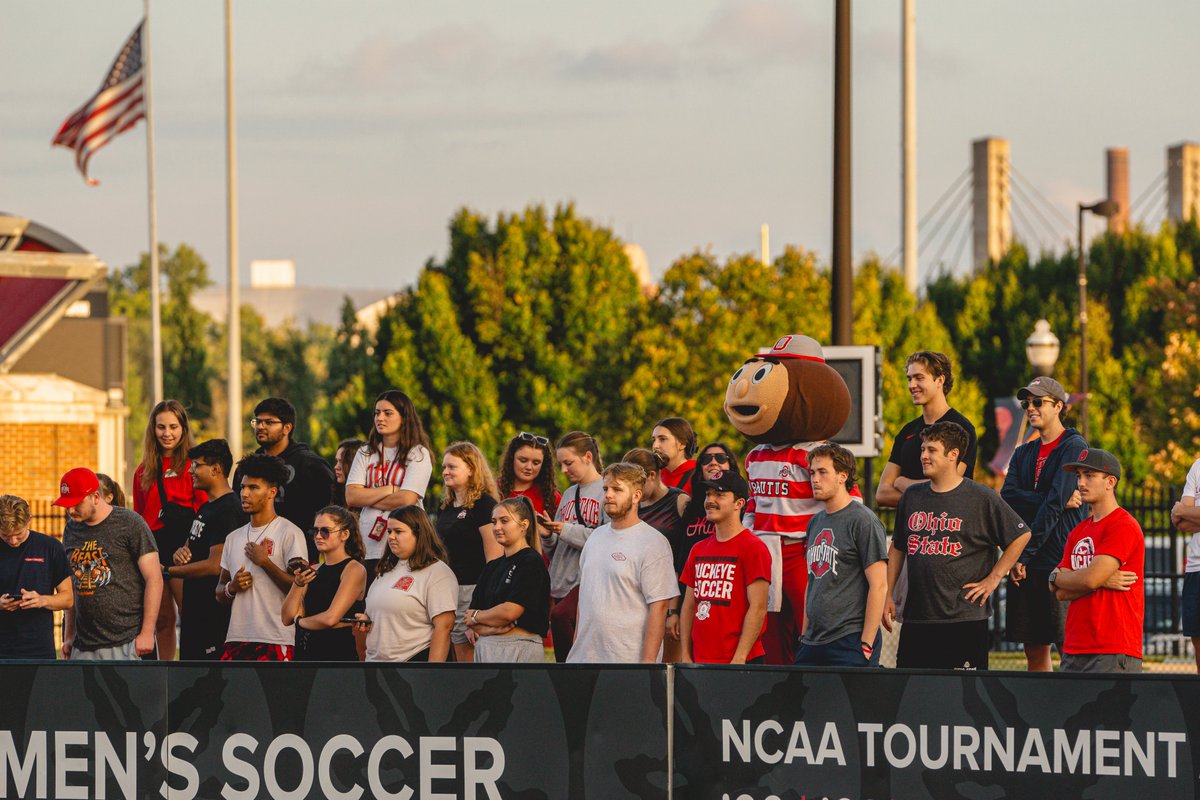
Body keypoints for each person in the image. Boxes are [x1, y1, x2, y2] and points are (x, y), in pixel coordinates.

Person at [884, 422, 1031, 670]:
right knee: (911, 698)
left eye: (931, 450)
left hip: (964, 619)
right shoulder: (912, 496)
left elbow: (1021, 534)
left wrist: (995, 577)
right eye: (922, 449)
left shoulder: (981, 497)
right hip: (917, 619)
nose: (923, 456)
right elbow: (898, 547)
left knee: (964, 702)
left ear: (953, 455)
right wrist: (888, 594)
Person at [1000, 377, 1089, 672]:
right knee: (1034, 648)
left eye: (1039, 402)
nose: (1031, 408)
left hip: (1060, 559)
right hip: (1028, 559)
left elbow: (1054, 506)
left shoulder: (1073, 446)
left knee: (1069, 647)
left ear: (1059, 406)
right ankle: (1042, 713)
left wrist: (1022, 555)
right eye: (1027, 403)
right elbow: (1008, 496)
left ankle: (1075, 715)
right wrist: (1053, 498)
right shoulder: (1023, 452)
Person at [567, 463, 678, 663]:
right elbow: (584, 600)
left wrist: (647, 665)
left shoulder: (653, 542)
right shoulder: (594, 537)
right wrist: (576, 650)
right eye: (605, 489)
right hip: (583, 660)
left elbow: (659, 607)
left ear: (636, 496)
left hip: (627, 661)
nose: (608, 495)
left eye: (617, 489)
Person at [795, 443, 888, 667]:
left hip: (849, 641)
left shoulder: (863, 520)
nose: (815, 479)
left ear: (842, 476)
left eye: (823, 472)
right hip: (813, 642)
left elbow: (879, 585)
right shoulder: (815, 522)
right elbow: (812, 581)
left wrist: (865, 644)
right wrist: (804, 634)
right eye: (812, 472)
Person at [1052, 449, 1145, 674]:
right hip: (1074, 647)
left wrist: (1075, 578)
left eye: (1089, 475)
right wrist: (1057, 577)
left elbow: (1090, 579)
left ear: (1110, 482)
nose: (1081, 482)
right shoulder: (1077, 531)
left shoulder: (1123, 525)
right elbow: (1059, 592)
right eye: (1078, 476)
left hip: (1113, 647)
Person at [57, 468, 162, 660]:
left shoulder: (130, 523)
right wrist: (69, 636)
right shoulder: (71, 529)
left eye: (76, 504)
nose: (70, 511)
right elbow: (71, 584)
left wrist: (147, 632)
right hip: (83, 644)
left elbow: (154, 578)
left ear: (96, 497)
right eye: (67, 505)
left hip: (127, 640)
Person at [216, 454, 309, 662]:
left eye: (253, 488)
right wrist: (232, 587)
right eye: (242, 487)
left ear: (272, 492)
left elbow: (299, 589)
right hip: (236, 638)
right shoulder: (233, 538)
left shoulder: (289, 532)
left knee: (274, 696)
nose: (244, 494)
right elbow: (219, 591)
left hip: (275, 638)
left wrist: (265, 563)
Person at [132, 399, 205, 661]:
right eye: (161, 427)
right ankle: (166, 670)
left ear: (183, 428)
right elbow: (140, 518)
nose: (167, 433)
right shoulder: (143, 471)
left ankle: (191, 668)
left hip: (186, 548)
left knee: (191, 614)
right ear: (153, 429)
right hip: (154, 549)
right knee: (161, 618)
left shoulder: (193, 466)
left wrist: (189, 546)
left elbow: (203, 510)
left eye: (173, 426)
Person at [678, 472, 770, 665]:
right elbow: (688, 606)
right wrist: (685, 654)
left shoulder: (754, 547)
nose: (710, 500)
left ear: (739, 503)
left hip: (740, 662)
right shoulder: (698, 549)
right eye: (708, 494)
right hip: (699, 661)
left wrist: (740, 658)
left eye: (719, 495)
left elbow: (758, 607)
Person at [167, 439, 247, 660]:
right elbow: (188, 548)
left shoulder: (229, 509)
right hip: (195, 612)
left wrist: (168, 571)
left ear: (216, 468)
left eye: (197, 465)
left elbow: (215, 566)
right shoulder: (206, 507)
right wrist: (179, 555)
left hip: (213, 614)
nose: (191, 471)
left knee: (209, 684)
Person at [231, 398, 336, 562]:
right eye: (257, 421)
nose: (261, 427)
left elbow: (330, 512)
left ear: (287, 427)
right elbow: (238, 513)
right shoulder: (247, 466)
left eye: (269, 422)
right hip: (252, 551)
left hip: (299, 554)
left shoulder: (310, 465)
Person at [345, 390, 434, 583]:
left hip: (406, 545)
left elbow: (407, 500)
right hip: (368, 546)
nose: (380, 418)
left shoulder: (418, 453)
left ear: (404, 417)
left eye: (388, 413)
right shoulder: (365, 452)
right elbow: (352, 497)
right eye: (377, 413)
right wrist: (390, 489)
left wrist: (368, 496)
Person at [876, 351, 978, 507]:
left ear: (940, 380)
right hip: (911, 529)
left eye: (919, 378)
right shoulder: (907, 431)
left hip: (948, 526)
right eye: (909, 379)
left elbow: (948, 488)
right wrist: (926, 493)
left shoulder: (962, 428)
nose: (912, 385)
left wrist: (902, 482)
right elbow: (882, 494)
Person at [356, 505, 457, 663]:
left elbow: (444, 627)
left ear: (419, 533)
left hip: (412, 666)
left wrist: (432, 673)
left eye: (398, 531)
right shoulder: (385, 571)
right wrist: (368, 619)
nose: (391, 537)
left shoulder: (437, 572)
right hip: (376, 667)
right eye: (389, 532)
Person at [540, 431, 608, 662]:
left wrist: (565, 529)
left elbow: (607, 538)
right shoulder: (569, 494)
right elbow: (555, 549)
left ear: (588, 457)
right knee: (566, 648)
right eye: (561, 464)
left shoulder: (606, 491)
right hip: (560, 581)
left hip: (585, 582)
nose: (564, 470)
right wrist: (548, 535)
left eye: (569, 463)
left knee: (564, 623)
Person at [434, 441, 501, 663]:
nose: (445, 472)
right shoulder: (444, 506)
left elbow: (494, 559)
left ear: (471, 469)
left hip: (473, 590)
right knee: (453, 656)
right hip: (447, 591)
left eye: (452, 467)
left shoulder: (484, 505)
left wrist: (481, 604)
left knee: (470, 658)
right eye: (444, 467)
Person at [467, 497, 551, 662]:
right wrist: (490, 628)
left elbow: (510, 612)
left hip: (519, 649)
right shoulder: (491, 567)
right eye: (494, 522)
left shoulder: (531, 562)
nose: (497, 527)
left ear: (524, 525)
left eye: (504, 521)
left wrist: (478, 615)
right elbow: (469, 620)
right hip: (486, 649)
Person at [624, 447, 689, 659]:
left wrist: (675, 610)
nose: (635, 491)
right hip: (635, 595)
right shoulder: (634, 505)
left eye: (637, 483)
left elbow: (686, 558)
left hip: (671, 595)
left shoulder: (679, 502)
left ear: (652, 476)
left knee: (670, 667)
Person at [282, 506, 367, 661]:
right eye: (315, 531)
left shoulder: (354, 569)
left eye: (325, 531)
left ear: (345, 534)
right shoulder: (313, 569)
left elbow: (330, 618)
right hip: (306, 653)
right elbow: (286, 617)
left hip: (337, 654)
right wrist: (297, 584)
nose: (318, 536)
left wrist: (300, 621)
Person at [0, 495, 73, 659]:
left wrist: (41, 600)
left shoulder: (50, 547)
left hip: (38, 650)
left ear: (29, 521)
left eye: (18, 534)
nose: (12, 541)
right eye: (5, 535)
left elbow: (68, 598)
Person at [676, 442, 742, 576]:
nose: (713, 462)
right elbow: (681, 555)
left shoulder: (743, 508)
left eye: (721, 458)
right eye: (706, 459)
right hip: (690, 582)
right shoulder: (689, 506)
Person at [1171, 455, 1200, 672]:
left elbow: (1182, 511)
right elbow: (1179, 521)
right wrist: (1184, 514)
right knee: (1197, 641)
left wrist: (1183, 510)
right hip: (1195, 569)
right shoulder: (1198, 466)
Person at [497, 432, 561, 519]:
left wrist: (549, 531)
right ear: (512, 458)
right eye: (523, 460)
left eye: (536, 463)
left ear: (543, 465)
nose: (529, 467)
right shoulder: (495, 489)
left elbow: (562, 530)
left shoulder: (552, 497)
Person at [652, 417, 698, 495]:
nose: (655, 446)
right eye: (653, 440)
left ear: (682, 444)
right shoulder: (653, 476)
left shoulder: (698, 475)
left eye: (662, 439)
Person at [332, 437, 366, 510]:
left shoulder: (365, 503)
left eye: (342, 462)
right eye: (337, 461)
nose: (336, 467)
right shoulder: (334, 494)